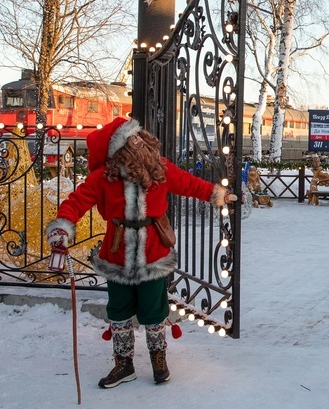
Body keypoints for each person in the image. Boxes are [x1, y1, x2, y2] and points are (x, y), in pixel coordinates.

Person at [46, 117, 236, 389]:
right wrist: (62, 226)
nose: (138, 142)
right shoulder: (103, 178)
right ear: (120, 149)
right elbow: (77, 201)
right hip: (117, 254)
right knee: (119, 309)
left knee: (154, 309)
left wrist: (218, 194)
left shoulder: (160, 169)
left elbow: (189, 184)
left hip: (153, 252)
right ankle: (124, 364)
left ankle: (159, 360)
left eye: (138, 136)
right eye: (131, 139)